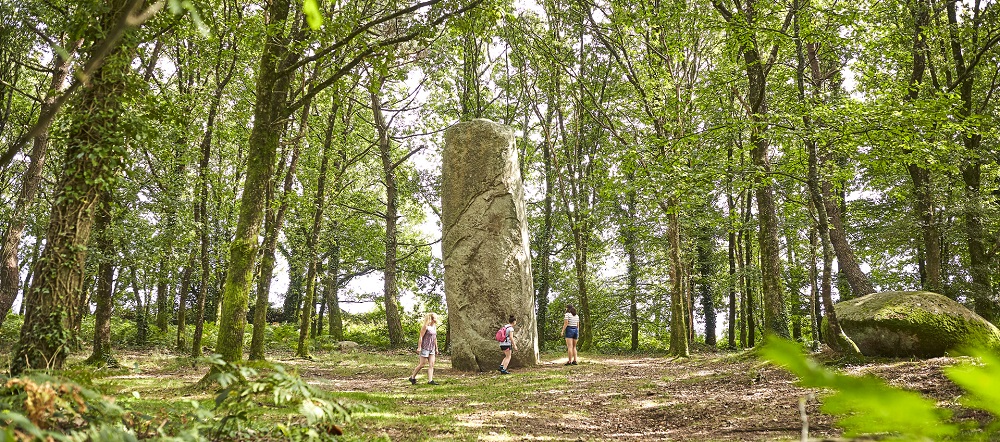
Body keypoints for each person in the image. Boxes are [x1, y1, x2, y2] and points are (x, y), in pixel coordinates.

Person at [409, 313, 440, 385]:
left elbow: (435, 338)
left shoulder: (434, 327)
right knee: (422, 364)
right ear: (432, 319)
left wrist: (436, 348)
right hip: (425, 348)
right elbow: (421, 337)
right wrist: (419, 347)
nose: (436, 319)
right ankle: (412, 377)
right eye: (435, 318)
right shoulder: (426, 327)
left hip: (432, 348)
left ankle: (430, 381)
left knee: (431, 364)